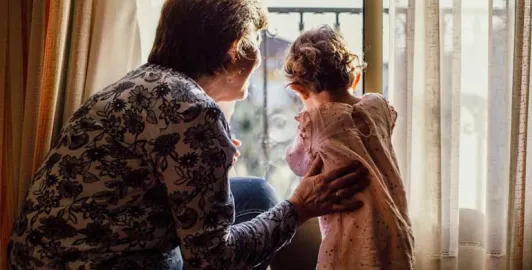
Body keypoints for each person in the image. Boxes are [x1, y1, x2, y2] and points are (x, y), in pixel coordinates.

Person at [6, 2, 370, 270]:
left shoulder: (137, 83)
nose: (259, 55)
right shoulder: (194, 111)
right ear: (233, 50)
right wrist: (299, 208)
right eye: (255, 42)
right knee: (269, 209)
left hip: (39, 259)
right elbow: (213, 258)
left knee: (257, 192)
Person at [284, 26, 414, 269]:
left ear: (299, 90)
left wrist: (305, 120)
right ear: (355, 78)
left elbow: (299, 164)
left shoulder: (315, 121)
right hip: (394, 225)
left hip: (350, 235)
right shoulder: (377, 105)